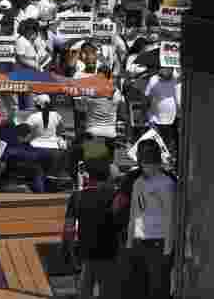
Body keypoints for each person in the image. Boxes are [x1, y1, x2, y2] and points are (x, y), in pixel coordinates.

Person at [121, 140, 176, 299]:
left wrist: (168, 249)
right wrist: (130, 244)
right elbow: (134, 214)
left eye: (148, 159)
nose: (145, 163)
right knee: (139, 288)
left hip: (158, 242)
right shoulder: (137, 182)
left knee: (157, 289)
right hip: (140, 241)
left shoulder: (167, 183)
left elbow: (170, 217)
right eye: (143, 160)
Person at [62, 163, 120, 299]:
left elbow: (69, 228)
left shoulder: (77, 197)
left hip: (85, 252)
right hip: (109, 252)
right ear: (109, 178)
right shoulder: (115, 195)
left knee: (84, 290)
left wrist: (68, 250)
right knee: (108, 291)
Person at [144, 66, 181, 161]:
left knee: (171, 147)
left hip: (173, 120)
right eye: (165, 68)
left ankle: (169, 165)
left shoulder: (177, 79)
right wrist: (148, 117)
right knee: (158, 147)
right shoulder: (153, 80)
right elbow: (146, 99)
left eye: (170, 68)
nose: (169, 70)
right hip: (157, 120)